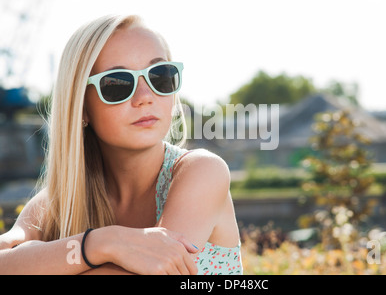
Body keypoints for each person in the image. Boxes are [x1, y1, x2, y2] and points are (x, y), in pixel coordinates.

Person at [0, 14, 242, 275]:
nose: (145, 97)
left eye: (160, 76)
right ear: (81, 106)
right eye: (117, 83)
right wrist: (103, 242)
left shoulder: (202, 172)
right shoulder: (58, 203)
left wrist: (46, 259)